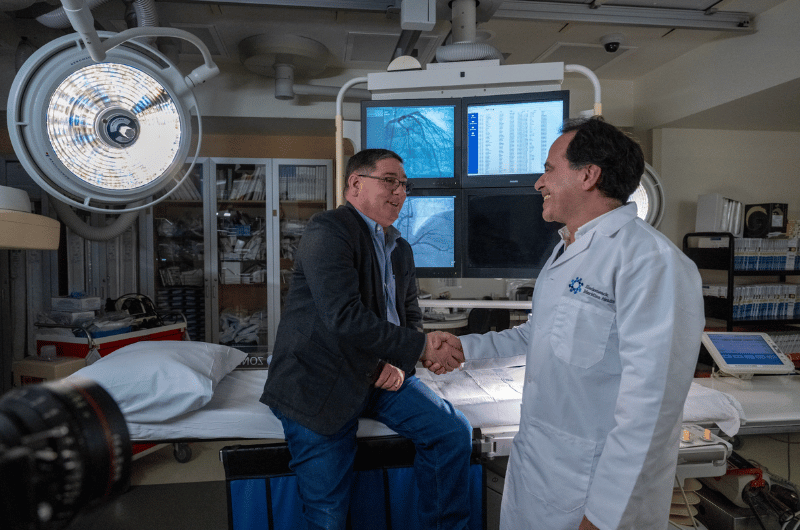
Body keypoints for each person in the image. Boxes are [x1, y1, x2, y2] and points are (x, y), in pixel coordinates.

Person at [429, 116, 705, 530]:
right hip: (540, 469)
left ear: (589, 175)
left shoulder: (651, 263)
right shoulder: (566, 251)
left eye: (549, 169)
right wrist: (467, 348)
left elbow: (651, 405)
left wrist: (603, 516)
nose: (539, 183)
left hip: (595, 488)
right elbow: (539, 333)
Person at [260, 148, 470, 530]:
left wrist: (409, 358)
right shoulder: (329, 231)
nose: (400, 192)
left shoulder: (400, 249)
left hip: (380, 374)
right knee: (327, 515)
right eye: (389, 180)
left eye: (404, 184)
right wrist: (414, 350)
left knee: (452, 433)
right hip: (317, 380)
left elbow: (409, 318)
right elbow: (342, 318)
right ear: (355, 183)